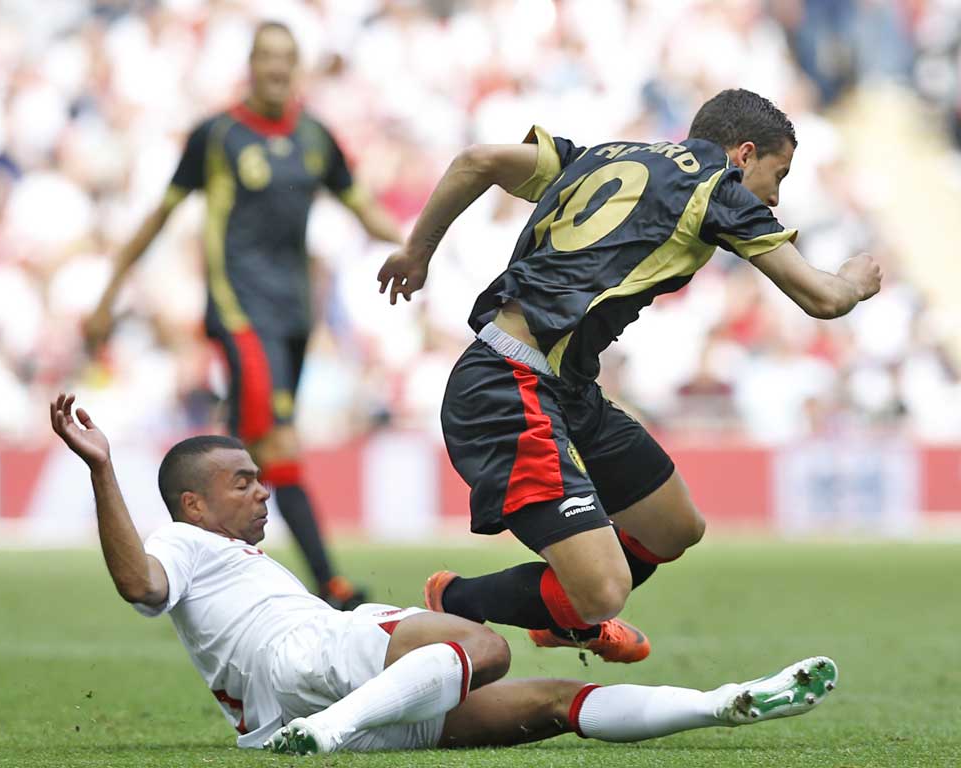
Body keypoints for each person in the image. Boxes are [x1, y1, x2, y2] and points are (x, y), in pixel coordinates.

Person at [376, 89, 883, 662]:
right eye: (778, 173)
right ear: (744, 154)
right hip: (508, 386)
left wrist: (417, 252)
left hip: (565, 387)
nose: (775, 194)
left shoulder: (608, 155)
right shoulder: (720, 191)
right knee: (604, 590)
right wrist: (856, 277)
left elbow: (478, 161)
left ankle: (567, 618)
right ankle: (454, 602)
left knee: (674, 527)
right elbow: (823, 299)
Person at [50, 392, 838, 754]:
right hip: (312, 660)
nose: (262, 490)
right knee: (483, 649)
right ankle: (330, 728)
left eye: (261, 477)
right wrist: (102, 471)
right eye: (243, 481)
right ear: (193, 501)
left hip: (318, 697)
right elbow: (139, 585)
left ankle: (724, 704)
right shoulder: (187, 543)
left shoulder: (234, 556)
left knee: (552, 705)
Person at [84, 21, 403, 609]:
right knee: (275, 443)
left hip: (294, 316)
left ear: (298, 68)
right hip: (239, 310)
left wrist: (418, 244)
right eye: (267, 58)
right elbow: (159, 216)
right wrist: (109, 294)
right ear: (251, 66)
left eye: (289, 59)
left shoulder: (315, 137)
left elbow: (363, 209)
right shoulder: (218, 134)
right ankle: (329, 584)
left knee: (251, 440)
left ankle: (200, 565)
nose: (278, 69)